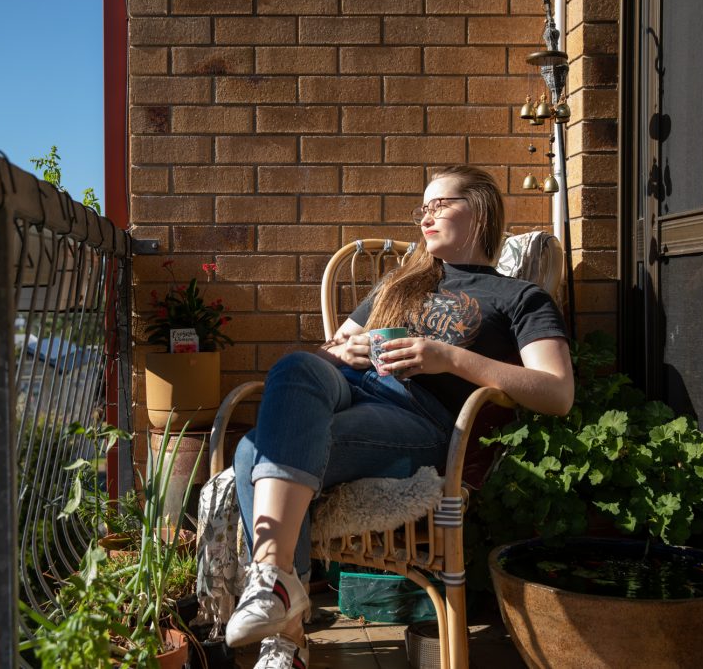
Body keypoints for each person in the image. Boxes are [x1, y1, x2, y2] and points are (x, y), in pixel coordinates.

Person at [225, 165, 575, 668]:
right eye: (422, 209)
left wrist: (448, 358)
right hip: (353, 387)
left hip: (423, 422)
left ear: (479, 211)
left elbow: (557, 392)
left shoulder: (519, 297)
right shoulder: (401, 282)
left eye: (439, 205)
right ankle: (277, 584)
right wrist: (344, 353)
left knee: (250, 449)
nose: (425, 217)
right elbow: (329, 352)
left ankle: (287, 637)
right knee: (296, 365)